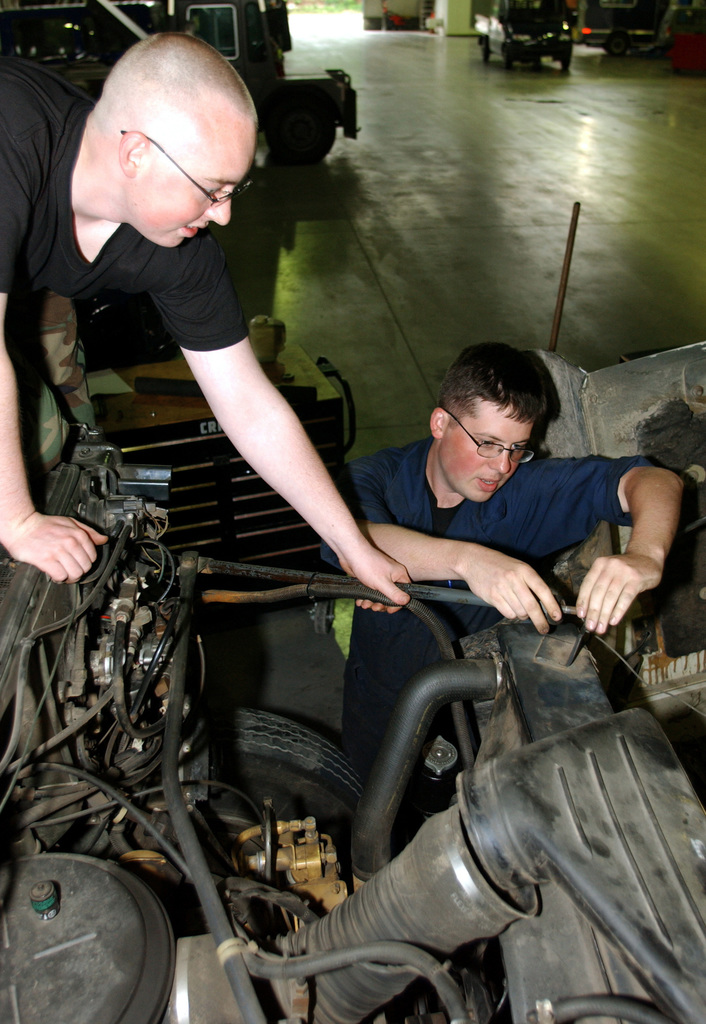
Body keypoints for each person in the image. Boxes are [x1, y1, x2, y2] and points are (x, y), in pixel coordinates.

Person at [0, 32, 410, 605]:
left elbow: (247, 401)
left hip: (28, 285)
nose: (226, 212)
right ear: (135, 154)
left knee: (51, 446)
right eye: (211, 189)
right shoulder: (12, 141)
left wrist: (351, 544)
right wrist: (18, 523)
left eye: (233, 187)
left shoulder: (180, 251)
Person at [322, 343, 683, 781]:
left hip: (473, 709)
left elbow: (653, 479)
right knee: (374, 811)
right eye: (488, 444)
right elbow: (349, 536)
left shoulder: (526, 492)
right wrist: (471, 562)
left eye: (517, 448)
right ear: (440, 423)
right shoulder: (374, 479)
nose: (501, 466)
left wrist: (645, 552)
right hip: (377, 698)